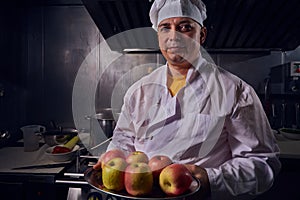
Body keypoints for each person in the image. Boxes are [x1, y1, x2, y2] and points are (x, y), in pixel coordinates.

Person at [93, 0, 281, 199]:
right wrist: (113, 158)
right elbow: (123, 140)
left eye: (185, 27)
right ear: (158, 36)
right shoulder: (138, 91)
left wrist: (210, 178)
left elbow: (263, 163)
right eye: (165, 28)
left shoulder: (235, 91)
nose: (174, 36)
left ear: (202, 35)